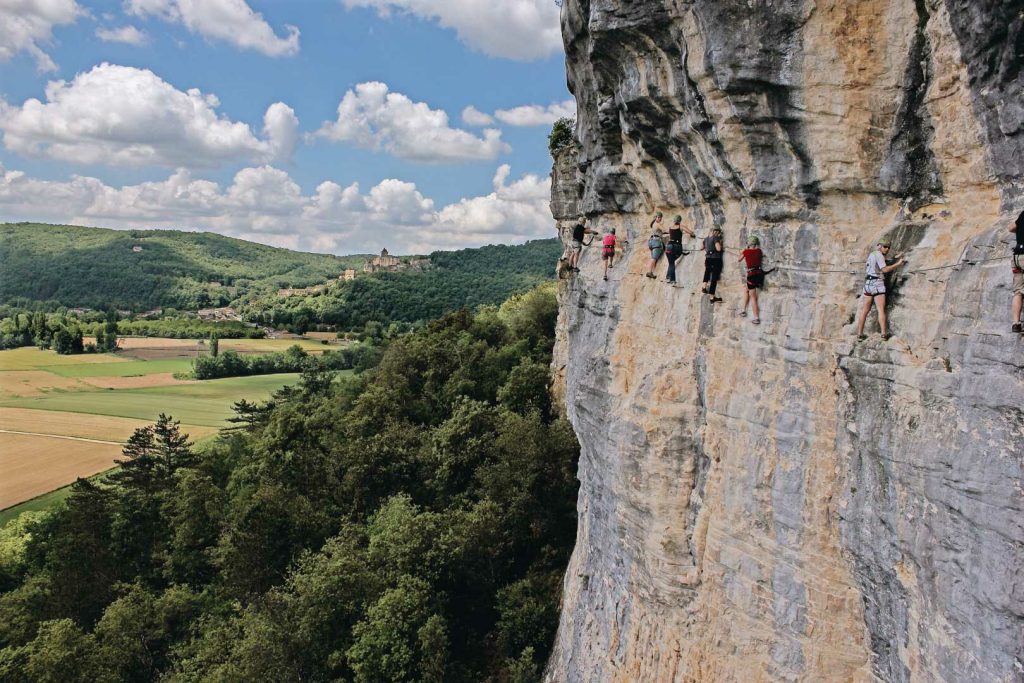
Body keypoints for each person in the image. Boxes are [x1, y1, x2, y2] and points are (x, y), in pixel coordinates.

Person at [855, 237, 906, 340]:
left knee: (865, 310)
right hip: (877, 284)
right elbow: (885, 269)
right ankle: (883, 334)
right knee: (881, 310)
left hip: (868, 284)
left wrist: (894, 259)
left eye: (888, 247)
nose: (887, 249)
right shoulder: (879, 255)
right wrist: (898, 264)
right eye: (885, 246)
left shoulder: (872, 254)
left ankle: (860, 334)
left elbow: (878, 264)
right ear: (879, 246)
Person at [738, 236, 764, 324]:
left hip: (751, 276)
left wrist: (744, 250)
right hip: (759, 275)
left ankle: (756, 318)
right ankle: (743, 310)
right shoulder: (759, 251)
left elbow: (739, 259)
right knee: (746, 289)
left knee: (753, 297)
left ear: (749, 244)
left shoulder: (746, 251)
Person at [665, 215, 694, 286]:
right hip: (676, 246)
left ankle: (668, 277)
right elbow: (690, 232)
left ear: (674, 220)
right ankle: (672, 280)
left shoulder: (670, 227)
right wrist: (693, 234)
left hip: (668, 246)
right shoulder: (681, 226)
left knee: (671, 262)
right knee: (672, 262)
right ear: (680, 221)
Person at [701, 227, 724, 302]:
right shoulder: (715, 238)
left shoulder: (706, 239)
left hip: (708, 259)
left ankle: (704, 287)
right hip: (716, 259)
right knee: (714, 277)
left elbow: (701, 248)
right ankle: (712, 297)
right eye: (718, 232)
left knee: (707, 272)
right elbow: (718, 249)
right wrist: (721, 244)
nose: (718, 234)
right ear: (715, 231)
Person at [1012, 211, 1024, 333]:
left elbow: (1011, 228)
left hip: (1017, 257)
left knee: (1018, 291)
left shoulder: (1023, 214)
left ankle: (1016, 324)